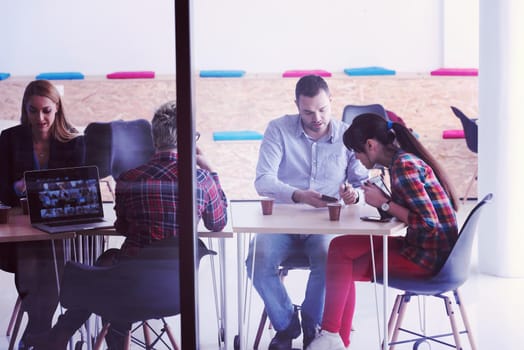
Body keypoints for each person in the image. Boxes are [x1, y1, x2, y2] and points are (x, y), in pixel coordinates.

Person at [30, 100, 228, 350]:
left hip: (130, 285)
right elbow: (218, 223)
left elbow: (123, 227)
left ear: (154, 139)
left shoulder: (128, 179)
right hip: (178, 292)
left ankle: (63, 334)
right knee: (108, 265)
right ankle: (62, 335)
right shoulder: (201, 180)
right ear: (190, 139)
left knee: (104, 265)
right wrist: (212, 172)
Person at [306, 114, 459, 350]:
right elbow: (415, 213)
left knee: (341, 262)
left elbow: (427, 225)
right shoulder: (400, 163)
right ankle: (335, 338)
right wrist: (384, 203)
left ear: (371, 145)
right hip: (427, 249)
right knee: (340, 252)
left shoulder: (404, 166)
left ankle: (332, 337)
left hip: (429, 258)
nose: (355, 158)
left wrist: (385, 204)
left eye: (356, 152)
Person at [247, 75, 369, 350]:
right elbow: (263, 180)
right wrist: (298, 194)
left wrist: (354, 195)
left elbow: (362, 183)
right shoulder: (278, 129)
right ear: (296, 106)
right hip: (282, 219)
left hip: (326, 222)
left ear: (331, 103)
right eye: (308, 111)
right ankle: (287, 324)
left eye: (323, 109)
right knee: (256, 261)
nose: (317, 117)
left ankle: (313, 325)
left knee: (329, 260)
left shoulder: (346, 134)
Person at [0, 80, 85, 349]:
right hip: (22, 227)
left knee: (49, 256)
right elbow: (1, 187)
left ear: (57, 109)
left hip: (59, 226)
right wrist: (18, 187)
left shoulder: (73, 142)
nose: (40, 118)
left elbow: (80, 189)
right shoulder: (10, 139)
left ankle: (36, 333)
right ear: (25, 111)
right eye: (33, 111)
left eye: (46, 110)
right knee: (34, 261)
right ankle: (45, 336)